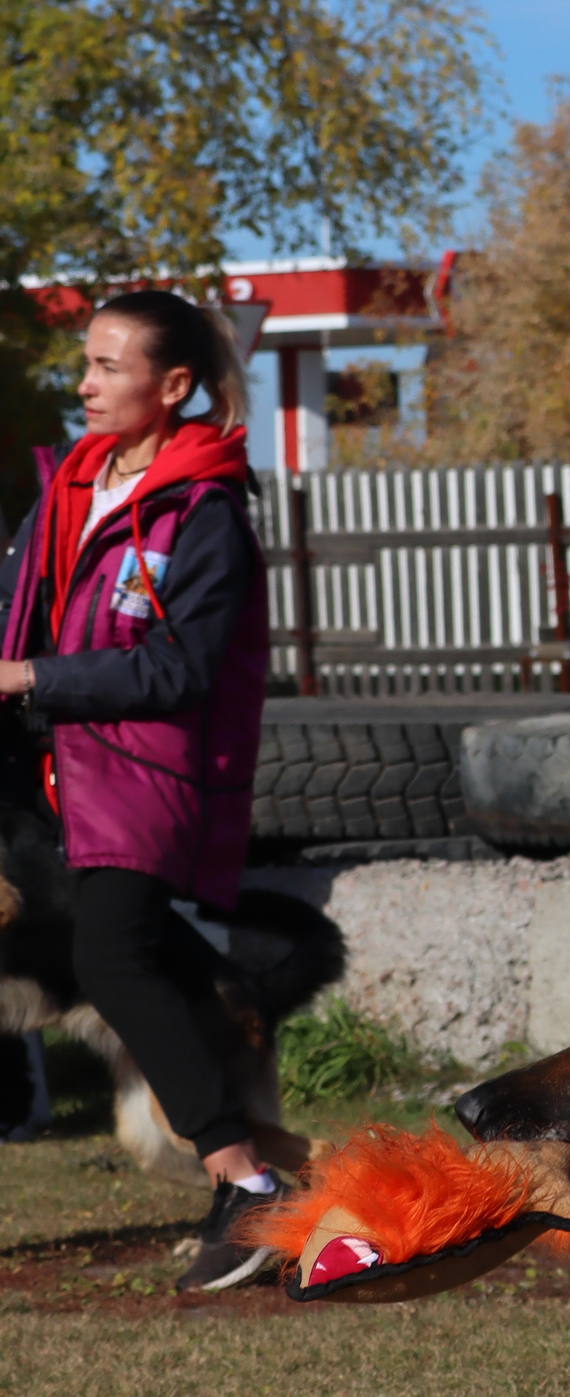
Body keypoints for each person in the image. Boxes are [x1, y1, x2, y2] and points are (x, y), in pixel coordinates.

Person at [0, 292, 279, 1289]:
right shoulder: (70, 487)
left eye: (108, 367)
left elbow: (182, 669)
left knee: (110, 959)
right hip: (56, 774)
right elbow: (14, 610)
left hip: (149, 776)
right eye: (86, 362)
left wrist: (35, 679)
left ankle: (244, 1179)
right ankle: (289, 1166)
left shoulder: (206, 514)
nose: (84, 383)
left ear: (172, 387)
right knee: (145, 961)